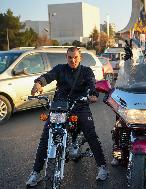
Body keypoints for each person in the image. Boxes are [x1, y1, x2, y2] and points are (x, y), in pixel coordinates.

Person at [26, 47, 109, 187]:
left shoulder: (86, 71)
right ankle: (36, 172)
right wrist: (38, 84)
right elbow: (48, 76)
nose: (73, 60)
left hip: (80, 105)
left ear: (80, 57)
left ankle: (102, 167)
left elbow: (91, 83)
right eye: (70, 57)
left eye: (75, 57)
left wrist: (92, 93)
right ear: (66, 57)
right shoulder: (60, 69)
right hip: (60, 106)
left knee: (90, 134)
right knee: (46, 137)